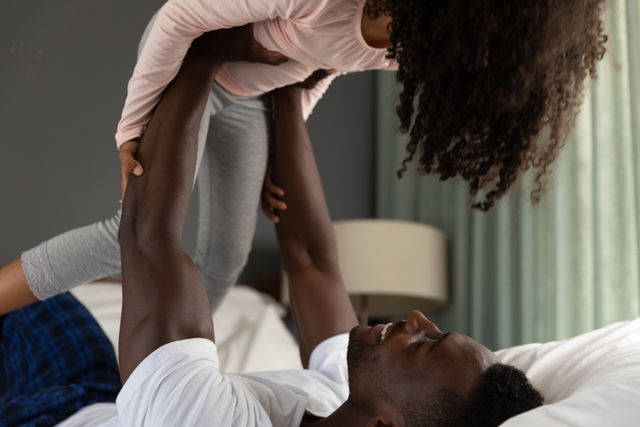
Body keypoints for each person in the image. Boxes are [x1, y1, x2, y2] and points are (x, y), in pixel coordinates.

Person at [2, 28, 542, 426]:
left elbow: (148, 232)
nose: (418, 318)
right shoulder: (354, 393)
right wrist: (289, 82)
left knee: (37, 316)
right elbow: (310, 259)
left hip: (51, 415)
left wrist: (205, 50)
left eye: (425, 344)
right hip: (106, 390)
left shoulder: (199, 419)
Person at [0, 0, 608, 319]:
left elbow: (327, 66)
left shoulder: (412, 40)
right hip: (189, 63)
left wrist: (279, 156)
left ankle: (166, 358)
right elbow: (180, 16)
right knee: (130, 233)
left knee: (226, 260)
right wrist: (131, 126)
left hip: (246, 100)